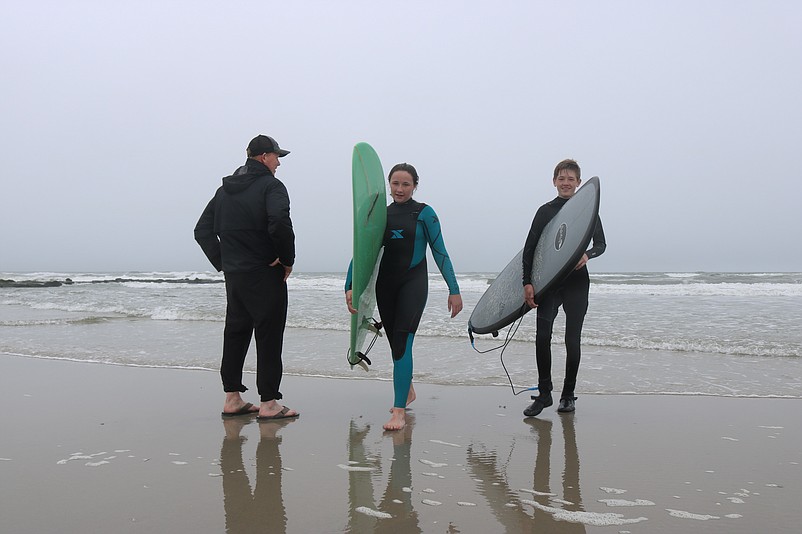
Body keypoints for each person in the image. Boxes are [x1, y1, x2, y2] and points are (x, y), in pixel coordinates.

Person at [345, 163, 463, 431]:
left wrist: (453, 289)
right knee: (395, 344)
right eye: (395, 184)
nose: (399, 189)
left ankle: (399, 411)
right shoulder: (379, 216)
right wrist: (349, 285)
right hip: (385, 286)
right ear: (388, 184)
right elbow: (361, 252)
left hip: (413, 283)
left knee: (402, 343)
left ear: (415, 186)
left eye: (406, 184)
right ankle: (407, 391)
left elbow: (440, 252)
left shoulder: (424, 213)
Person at [195, 134, 299, 420]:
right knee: (269, 335)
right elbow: (279, 222)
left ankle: (232, 398)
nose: (278, 163)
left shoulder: (224, 190)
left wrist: (225, 262)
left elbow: (202, 230)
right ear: (264, 157)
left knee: (236, 332)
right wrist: (287, 259)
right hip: (265, 272)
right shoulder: (271, 186)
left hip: (236, 274)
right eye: (277, 157)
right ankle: (269, 403)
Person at [522, 159, 606, 417]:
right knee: (542, 338)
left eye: (571, 179)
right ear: (554, 181)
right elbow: (530, 249)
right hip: (549, 283)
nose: (566, 183)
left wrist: (587, 255)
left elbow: (601, 244)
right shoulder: (545, 211)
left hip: (577, 283)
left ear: (579, 183)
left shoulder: (587, 210)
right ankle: (545, 394)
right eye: (561, 178)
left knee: (572, 341)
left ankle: (568, 395)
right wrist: (527, 282)